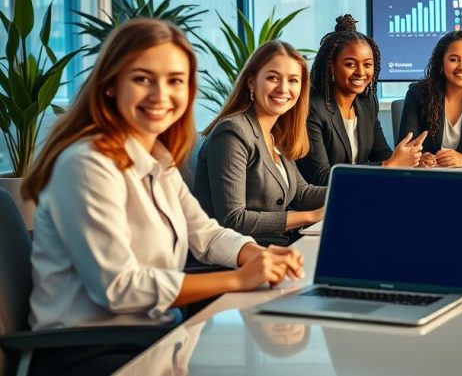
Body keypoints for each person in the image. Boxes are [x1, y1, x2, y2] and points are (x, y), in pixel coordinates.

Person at [22, 19, 303, 374]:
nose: (160, 95)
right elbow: (119, 288)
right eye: (142, 79)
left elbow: (206, 233)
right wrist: (237, 279)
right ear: (110, 84)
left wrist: (255, 254)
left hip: (155, 337)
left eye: (175, 81)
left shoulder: (156, 156)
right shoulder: (87, 164)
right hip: (90, 352)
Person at [195, 41, 326, 244]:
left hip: (270, 247)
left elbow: (301, 193)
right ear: (251, 82)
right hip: (235, 256)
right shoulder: (232, 132)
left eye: (293, 80)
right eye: (273, 78)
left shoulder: (275, 133)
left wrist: (355, 189)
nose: (283, 88)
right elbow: (234, 219)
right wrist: (313, 216)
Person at [298, 15, 427, 185]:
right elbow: (322, 177)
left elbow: (382, 155)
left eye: (367, 64)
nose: (361, 72)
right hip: (321, 204)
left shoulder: (366, 104)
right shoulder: (311, 109)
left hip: (361, 192)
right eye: (350, 64)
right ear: (331, 66)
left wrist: (412, 162)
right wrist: (389, 166)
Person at [399, 30, 462, 167]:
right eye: (453, 59)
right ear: (441, 63)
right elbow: (406, 147)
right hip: (427, 174)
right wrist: (420, 157)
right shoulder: (418, 92)